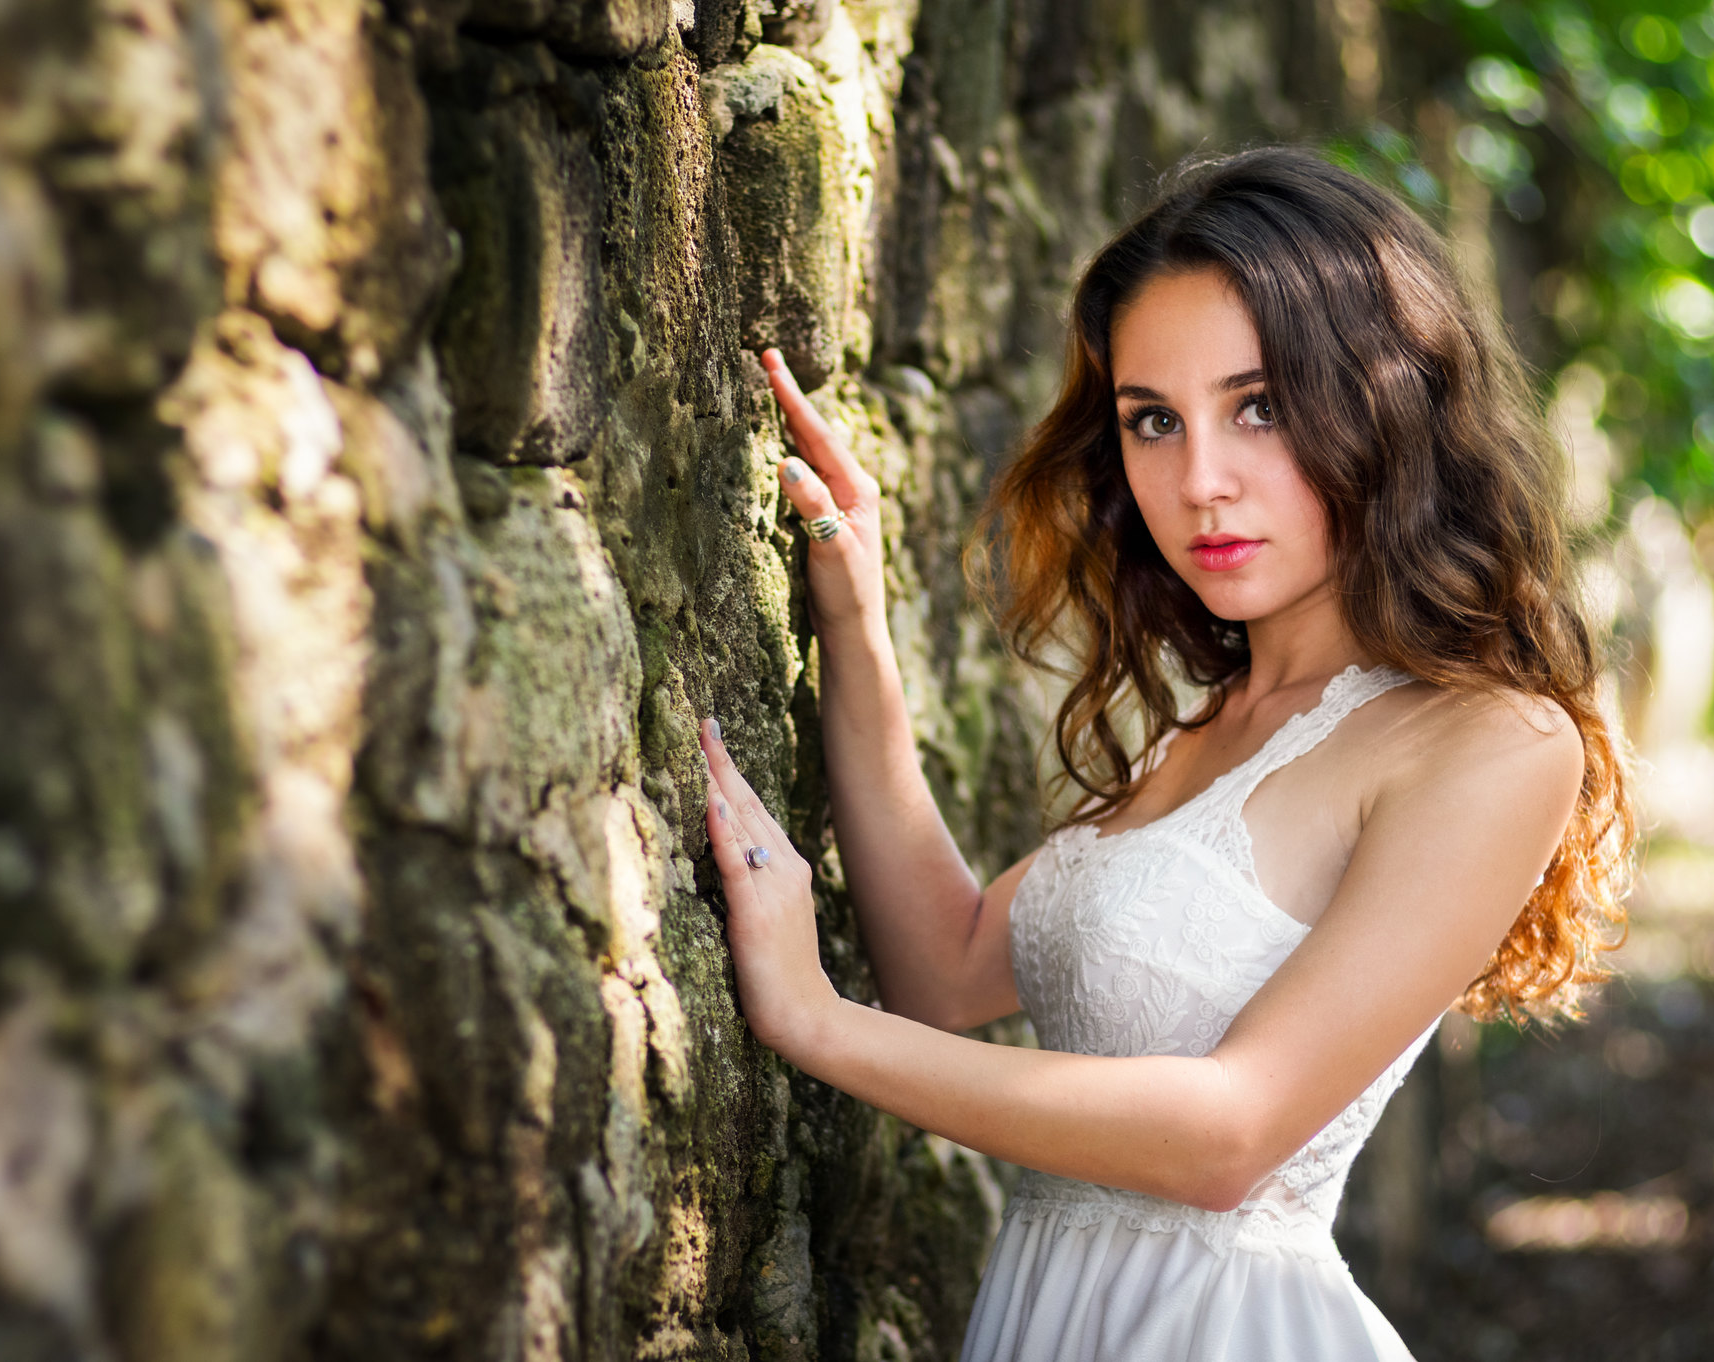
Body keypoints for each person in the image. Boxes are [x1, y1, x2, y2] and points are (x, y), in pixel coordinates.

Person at [697, 145, 1635, 1360]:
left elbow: (1225, 1135)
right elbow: (947, 972)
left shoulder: (1488, 742)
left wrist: (815, 1024)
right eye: (1152, 421)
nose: (1198, 482)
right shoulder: (1221, 724)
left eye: (1259, 407)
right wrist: (852, 621)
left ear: (1386, 401)